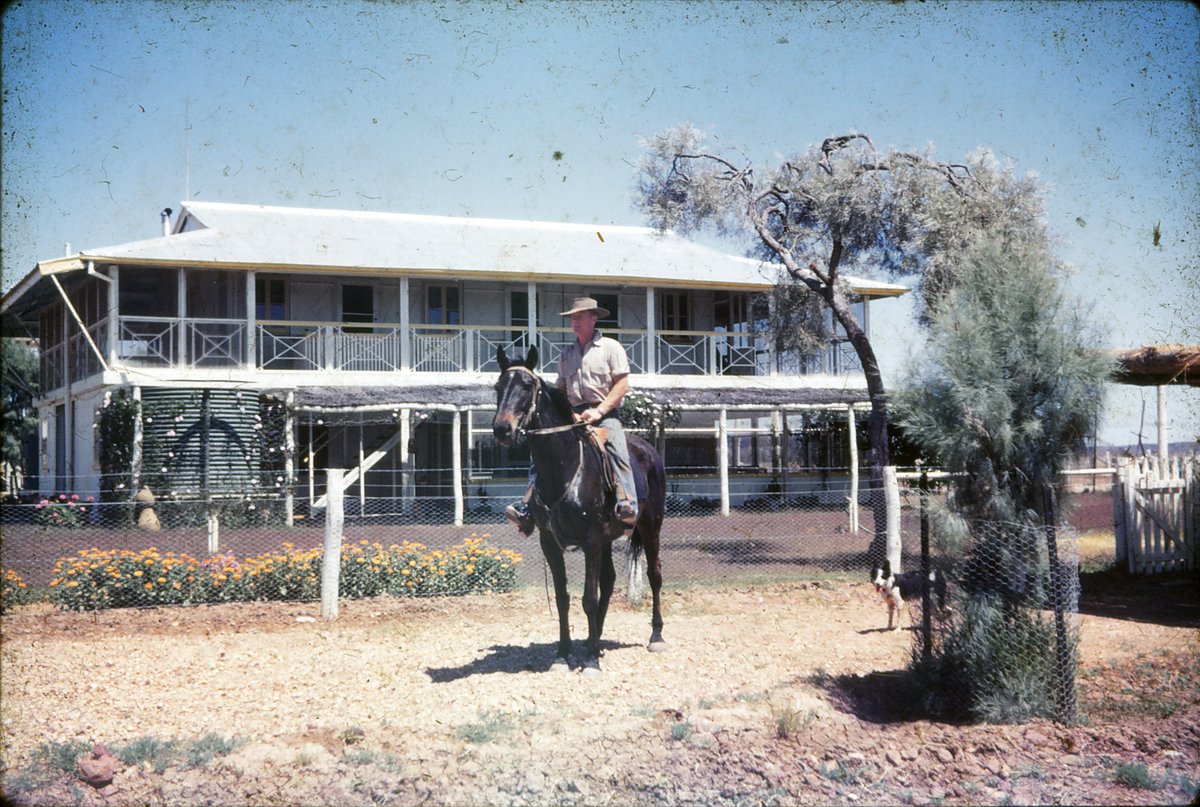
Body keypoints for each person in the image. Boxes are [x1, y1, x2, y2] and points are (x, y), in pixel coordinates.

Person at [505, 296, 639, 533]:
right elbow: (562, 390)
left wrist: (599, 411)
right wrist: (567, 413)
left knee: (617, 448)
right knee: (541, 451)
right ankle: (527, 507)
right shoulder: (566, 353)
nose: (575, 322)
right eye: (572, 318)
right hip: (573, 415)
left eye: (580, 317)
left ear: (593, 318)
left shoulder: (610, 347)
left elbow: (622, 385)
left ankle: (626, 502)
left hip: (604, 412)